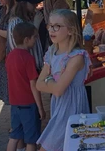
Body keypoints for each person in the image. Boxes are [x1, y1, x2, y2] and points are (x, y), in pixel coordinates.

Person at [36, 9, 91, 151]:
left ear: (71, 30)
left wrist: (48, 80)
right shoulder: (51, 52)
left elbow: (59, 90)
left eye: (57, 26)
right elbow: (38, 84)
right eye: (50, 25)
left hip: (71, 109)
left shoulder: (76, 57)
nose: (51, 30)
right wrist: (52, 83)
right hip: (58, 108)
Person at [6, 22, 45, 151]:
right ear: (27, 39)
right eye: (34, 37)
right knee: (31, 140)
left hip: (15, 103)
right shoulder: (28, 58)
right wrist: (40, 107)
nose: (36, 40)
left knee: (14, 136)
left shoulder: (10, 56)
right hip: (28, 103)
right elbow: (33, 84)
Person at [8, 0, 45, 72]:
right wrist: (36, 25)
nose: (35, 5)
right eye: (32, 3)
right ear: (23, 3)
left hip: (34, 68)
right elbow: (21, 45)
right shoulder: (17, 22)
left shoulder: (27, 19)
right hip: (26, 70)